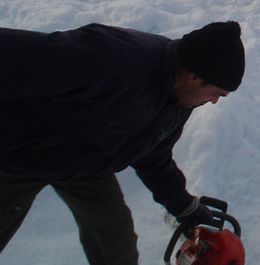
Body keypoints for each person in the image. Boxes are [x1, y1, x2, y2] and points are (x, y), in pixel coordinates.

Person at [0, 21, 246, 265]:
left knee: (117, 245)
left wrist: (184, 207)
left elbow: (153, 155)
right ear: (194, 78)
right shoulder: (113, 58)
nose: (214, 101)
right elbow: (16, 55)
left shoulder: (180, 100)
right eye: (216, 93)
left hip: (86, 166)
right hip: (18, 156)